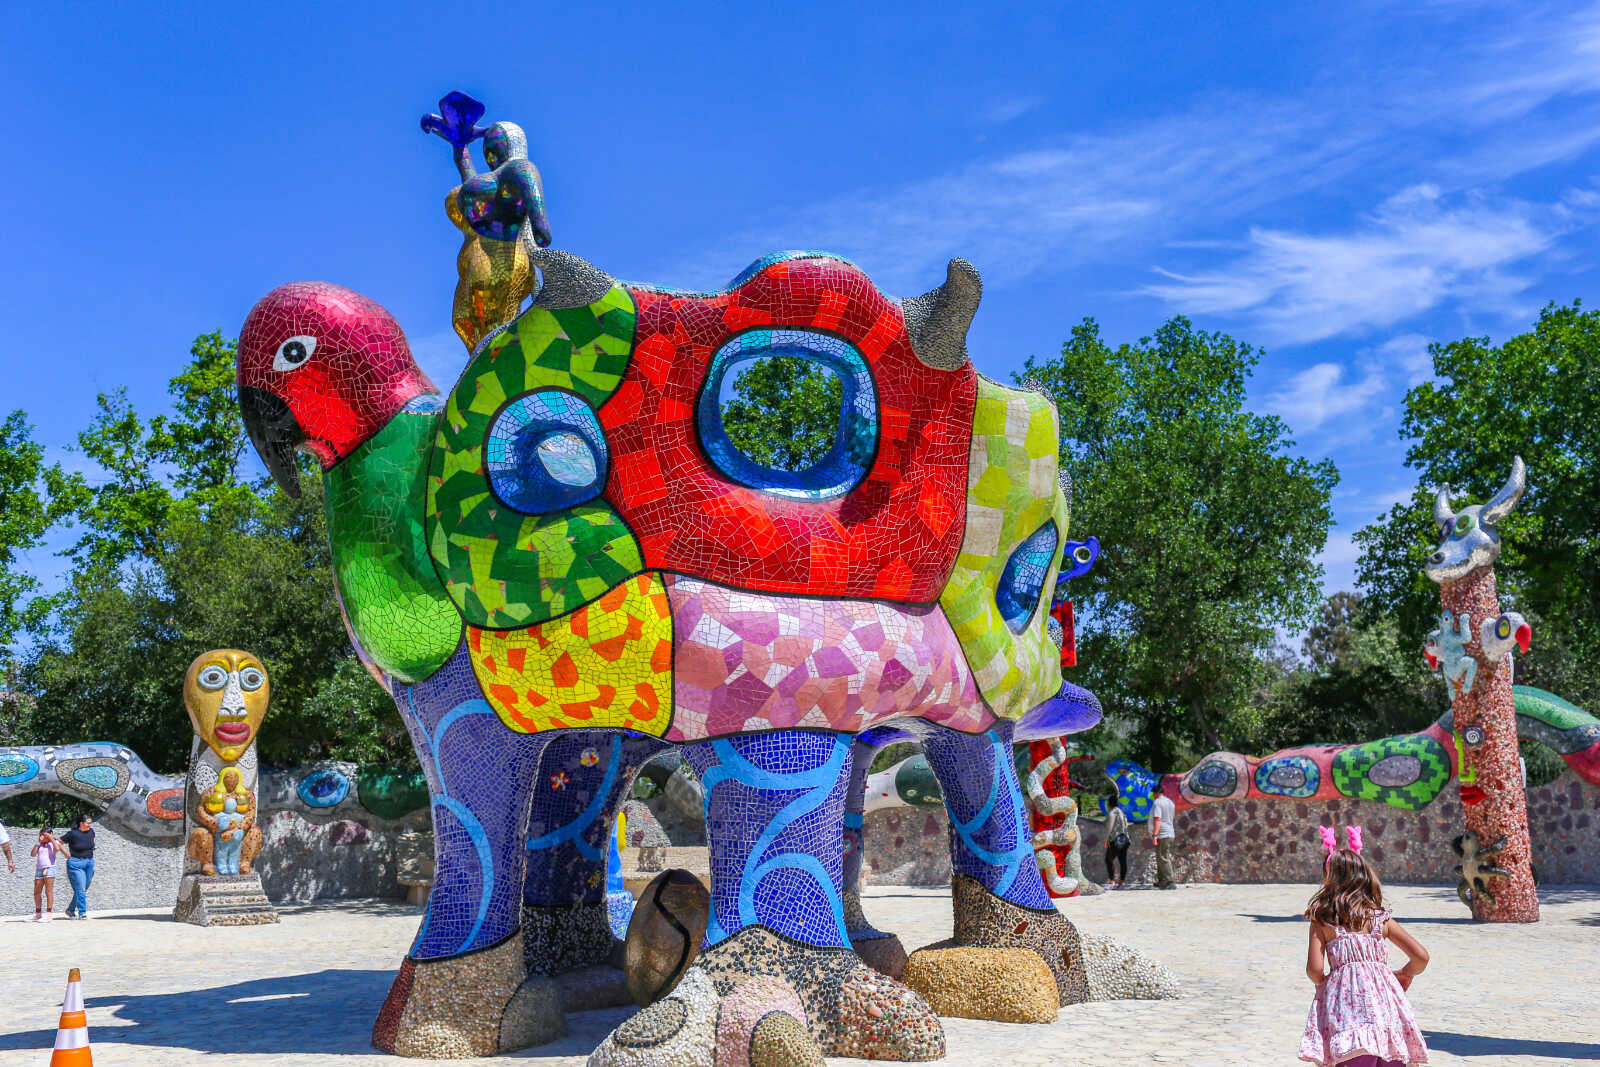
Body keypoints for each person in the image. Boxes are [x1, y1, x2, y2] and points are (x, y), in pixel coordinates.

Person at [1300, 841, 1430, 1067]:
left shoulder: (1323, 920)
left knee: (1354, 1057)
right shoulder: (1381, 919)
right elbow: (1421, 957)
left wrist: (1322, 983)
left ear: (1329, 880)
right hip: (1385, 1010)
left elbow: (1315, 969)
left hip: (1346, 1010)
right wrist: (1405, 974)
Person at [61, 814, 96, 919]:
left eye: (90, 823)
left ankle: (70, 909)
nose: (90, 825)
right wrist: (65, 853)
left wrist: (92, 846)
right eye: (88, 823)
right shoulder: (73, 834)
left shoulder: (91, 831)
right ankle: (82, 913)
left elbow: (93, 840)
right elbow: (58, 842)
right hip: (76, 863)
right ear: (81, 823)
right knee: (80, 889)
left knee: (83, 888)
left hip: (89, 862)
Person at [30, 828, 65, 922]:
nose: (41, 837)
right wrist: (38, 842)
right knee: (36, 892)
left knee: (48, 891)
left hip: (49, 868)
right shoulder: (40, 844)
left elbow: (57, 849)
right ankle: (38, 914)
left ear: (50, 835)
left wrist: (50, 838)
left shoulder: (53, 843)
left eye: (43, 835)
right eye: (40, 835)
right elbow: (32, 854)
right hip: (39, 869)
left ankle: (49, 914)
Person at [1149, 786, 1177, 888]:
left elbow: (1157, 819)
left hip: (1162, 834)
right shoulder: (1170, 802)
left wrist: (1155, 835)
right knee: (1160, 857)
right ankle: (1162, 880)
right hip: (1170, 832)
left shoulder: (1157, 803)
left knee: (1163, 857)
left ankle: (1170, 881)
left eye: (1153, 794)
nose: (1153, 796)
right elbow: (1172, 817)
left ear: (1156, 793)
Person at [1103, 797, 1130, 888]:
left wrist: (1106, 840)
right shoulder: (1121, 812)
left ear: (1109, 804)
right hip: (1125, 839)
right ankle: (1121, 882)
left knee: (1108, 859)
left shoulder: (1112, 813)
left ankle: (1112, 881)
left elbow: (1109, 828)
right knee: (1122, 861)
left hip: (1115, 839)